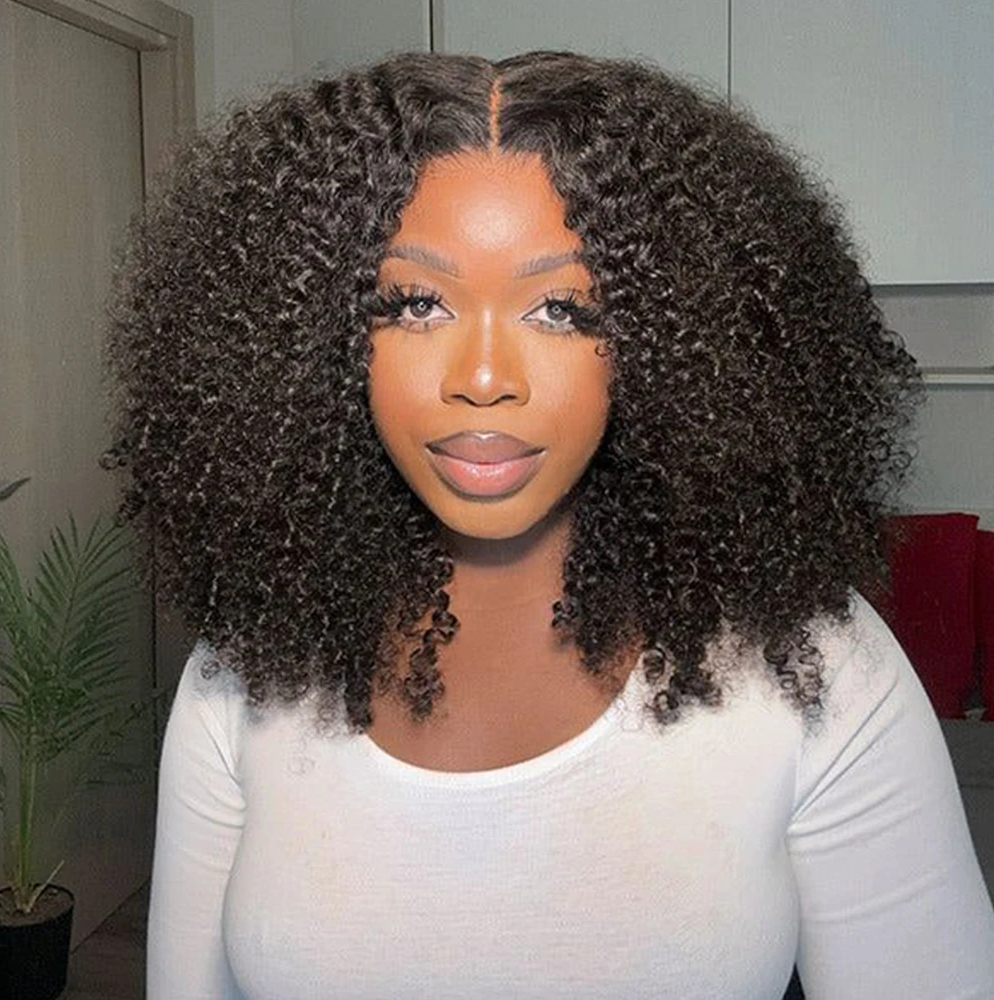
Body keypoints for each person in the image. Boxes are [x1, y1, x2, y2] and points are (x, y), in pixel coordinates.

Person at [103, 50, 994, 999]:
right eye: (417, 303)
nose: (485, 378)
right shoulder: (246, 670)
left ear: (670, 340)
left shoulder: (815, 667)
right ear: (312, 340)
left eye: (562, 309)